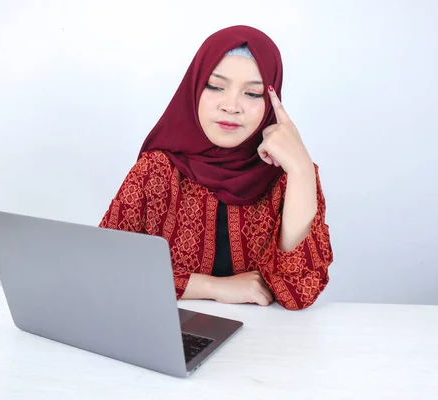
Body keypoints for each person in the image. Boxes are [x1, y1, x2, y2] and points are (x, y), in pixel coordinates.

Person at [98, 25, 333, 310]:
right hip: (169, 337)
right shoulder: (156, 170)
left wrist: (302, 169)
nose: (231, 106)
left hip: (266, 345)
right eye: (216, 86)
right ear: (194, 88)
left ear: (271, 103)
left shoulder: (288, 177)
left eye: (253, 93)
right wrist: (214, 288)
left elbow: (299, 293)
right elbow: (104, 268)